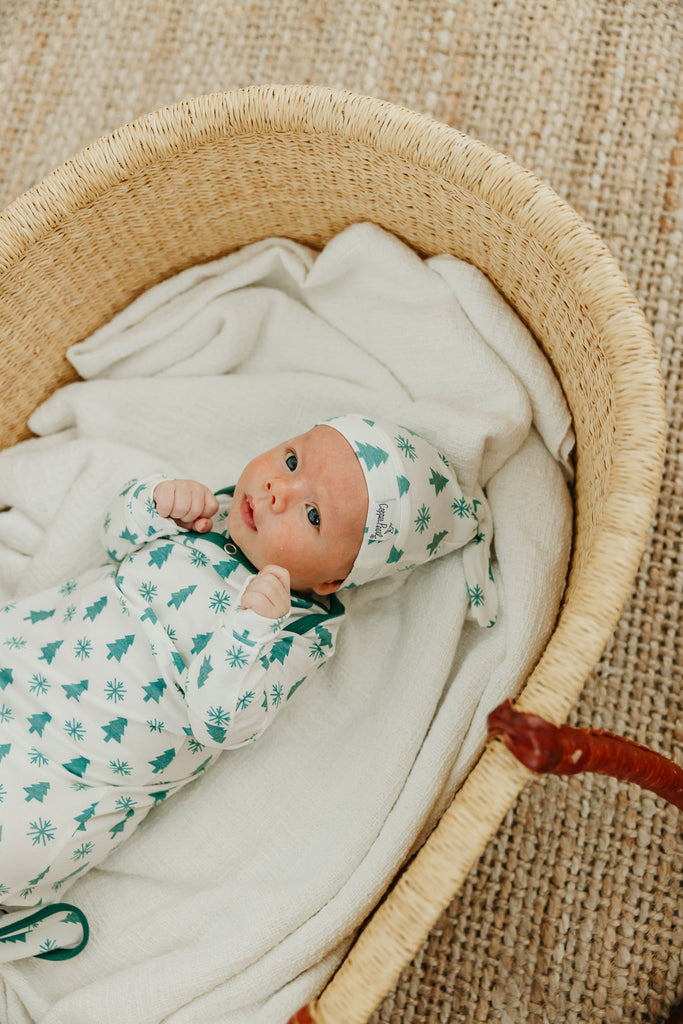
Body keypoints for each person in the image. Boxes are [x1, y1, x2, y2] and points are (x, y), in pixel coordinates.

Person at [0, 414, 497, 960]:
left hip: (72, 773)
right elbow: (115, 537)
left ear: (333, 580)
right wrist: (152, 502)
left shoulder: (296, 631)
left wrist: (249, 625)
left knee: (18, 843)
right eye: (290, 461)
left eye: (312, 514)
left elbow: (219, 721)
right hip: (22, 662)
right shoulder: (207, 515)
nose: (277, 492)